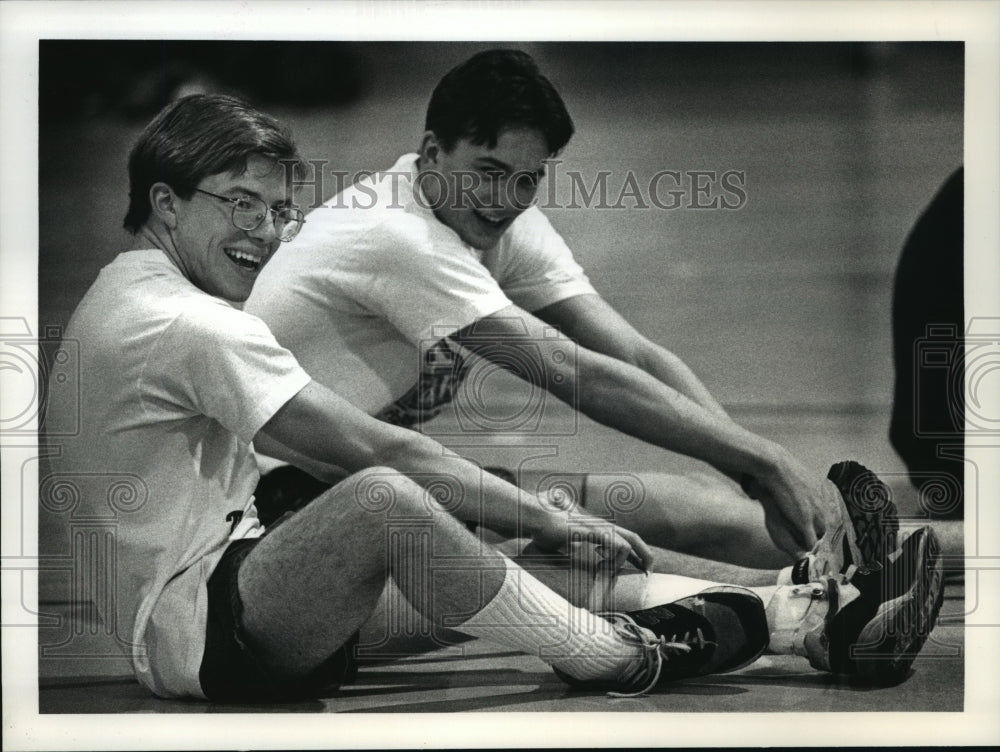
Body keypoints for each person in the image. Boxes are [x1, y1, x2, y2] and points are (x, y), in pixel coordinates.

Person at [43, 93, 941, 704]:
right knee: (401, 506)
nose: (266, 235)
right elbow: (382, 455)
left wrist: (744, 465)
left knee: (513, 559)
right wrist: (535, 511)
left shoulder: (145, 288)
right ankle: (612, 660)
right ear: (164, 202)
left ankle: (811, 617)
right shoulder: (191, 322)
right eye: (239, 205)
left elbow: (620, 351)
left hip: (250, 556)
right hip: (209, 621)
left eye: (276, 210)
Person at [246, 49, 870, 572]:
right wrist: (765, 459)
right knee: (601, 547)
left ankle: (890, 555)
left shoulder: (487, 218)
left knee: (701, 508)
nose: (504, 200)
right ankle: (807, 603)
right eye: (487, 172)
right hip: (263, 511)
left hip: (356, 481)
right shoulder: (393, 235)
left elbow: (631, 354)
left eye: (527, 179)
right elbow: (577, 375)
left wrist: (754, 475)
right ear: (432, 151)